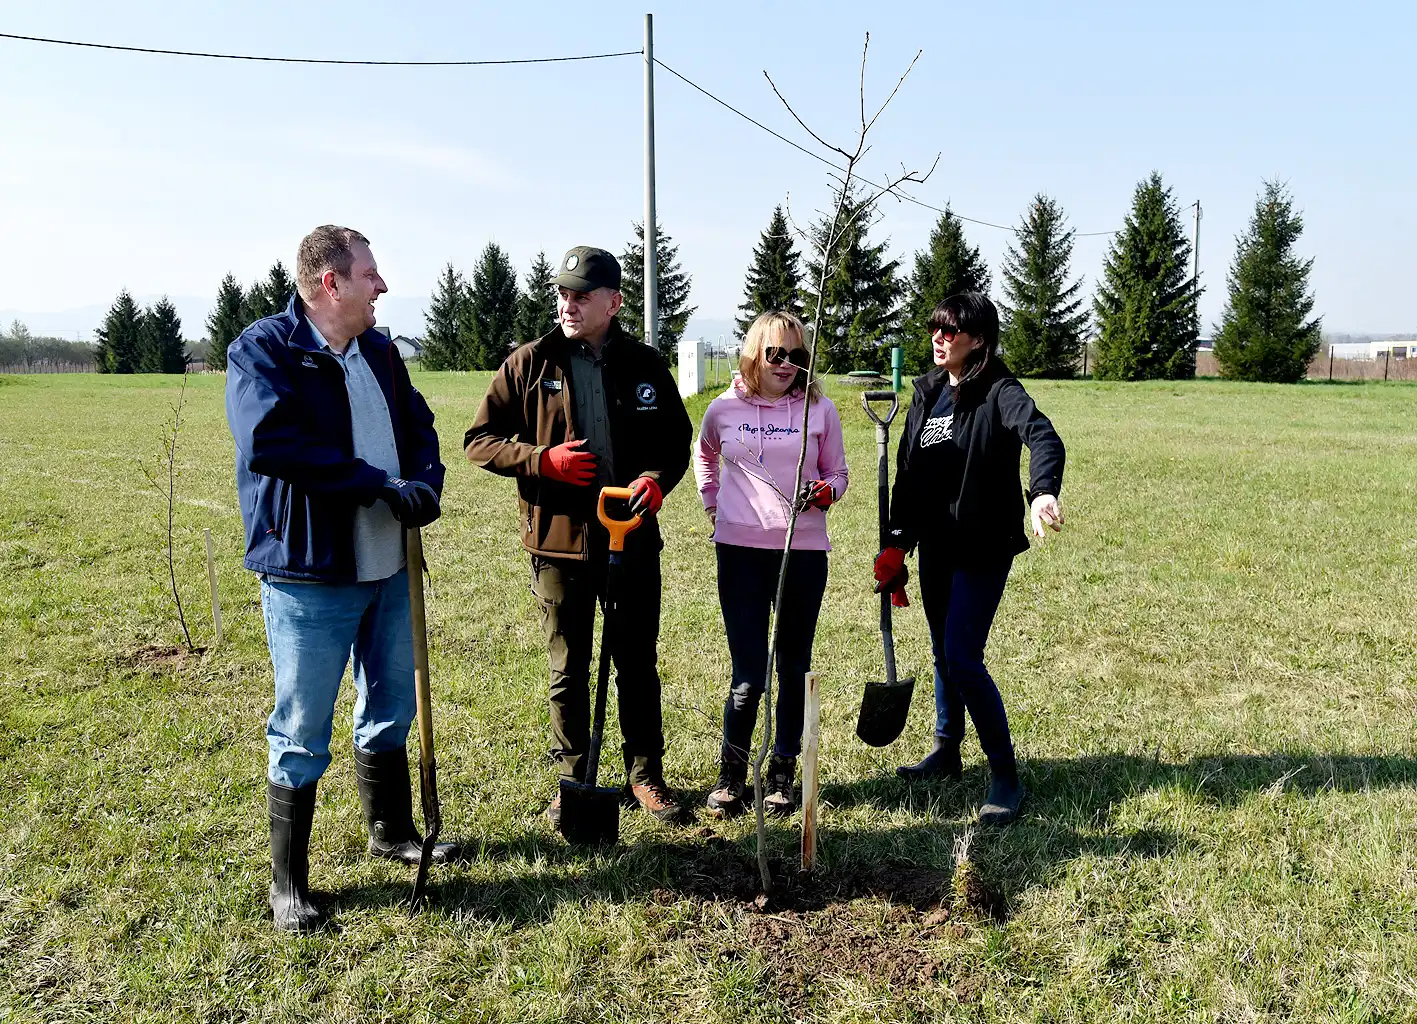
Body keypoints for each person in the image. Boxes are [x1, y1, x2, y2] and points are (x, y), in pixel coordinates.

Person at [225, 225, 453, 932]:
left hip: (390, 563)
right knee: (301, 726)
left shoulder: (381, 353)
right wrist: (376, 485)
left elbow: (419, 428)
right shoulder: (265, 349)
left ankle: (390, 829)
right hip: (309, 571)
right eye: (370, 275)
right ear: (331, 283)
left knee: (390, 702)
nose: (381, 286)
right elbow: (270, 442)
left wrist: (422, 483)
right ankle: (287, 885)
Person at [464, 246, 693, 826]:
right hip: (559, 546)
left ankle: (646, 777)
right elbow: (478, 441)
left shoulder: (645, 365)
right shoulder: (529, 363)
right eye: (563, 293)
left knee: (636, 661)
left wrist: (657, 480)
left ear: (614, 302)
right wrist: (543, 461)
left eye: (582, 294)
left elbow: (675, 440)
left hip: (633, 537)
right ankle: (573, 777)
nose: (568, 304)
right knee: (568, 666)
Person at [873, 291, 1065, 827]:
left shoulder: (1000, 391)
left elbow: (1042, 436)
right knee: (940, 649)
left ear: (977, 339)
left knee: (961, 655)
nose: (939, 338)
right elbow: (911, 474)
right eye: (935, 329)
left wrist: (1042, 492)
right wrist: (896, 541)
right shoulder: (929, 392)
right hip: (937, 542)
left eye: (951, 331)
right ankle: (946, 747)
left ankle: (1005, 775)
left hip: (983, 545)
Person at [693, 311, 848, 818]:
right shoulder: (722, 409)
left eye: (796, 356)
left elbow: (838, 473)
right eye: (775, 354)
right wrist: (712, 502)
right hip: (738, 553)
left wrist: (826, 492)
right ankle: (732, 771)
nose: (786, 365)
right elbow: (707, 456)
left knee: (794, 666)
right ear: (754, 354)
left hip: (801, 553)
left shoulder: (817, 411)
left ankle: (782, 767)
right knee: (748, 674)